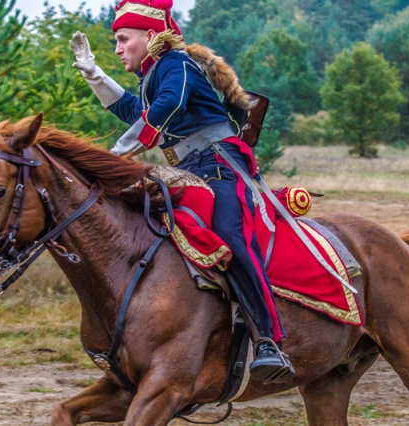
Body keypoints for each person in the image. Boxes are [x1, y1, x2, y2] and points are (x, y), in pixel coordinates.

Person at [69, 0, 294, 384]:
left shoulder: (176, 64)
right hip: (187, 170)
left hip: (221, 166)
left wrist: (112, 158)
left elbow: (166, 107)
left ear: (151, 36)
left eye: (123, 39)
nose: (118, 48)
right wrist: (94, 75)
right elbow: (132, 110)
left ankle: (270, 341)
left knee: (230, 237)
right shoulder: (154, 75)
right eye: (116, 42)